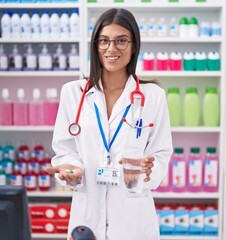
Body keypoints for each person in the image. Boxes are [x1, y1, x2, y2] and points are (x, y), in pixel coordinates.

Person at [46, 8, 173, 240]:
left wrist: (146, 171)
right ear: (96, 46)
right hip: (87, 218)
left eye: (121, 41)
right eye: (104, 41)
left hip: (133, 221)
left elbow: (161, 154)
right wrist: (72, 170)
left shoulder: (153, 96)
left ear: (134, 46)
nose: (111, 49)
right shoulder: (73, 93)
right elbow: (65, 151)